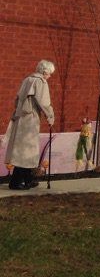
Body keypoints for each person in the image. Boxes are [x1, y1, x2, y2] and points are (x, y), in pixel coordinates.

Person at [4, 60, 55, 190]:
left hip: (21, 118)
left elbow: (17, 98)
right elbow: (43, 102)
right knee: (26, 151)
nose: (49, 77)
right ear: (45, 72)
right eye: (49, 74)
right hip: (30, 120)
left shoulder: (27, 80)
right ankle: (16, 182)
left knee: (24, 150)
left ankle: (28, 180)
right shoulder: (40, 82)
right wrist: (50, 116)